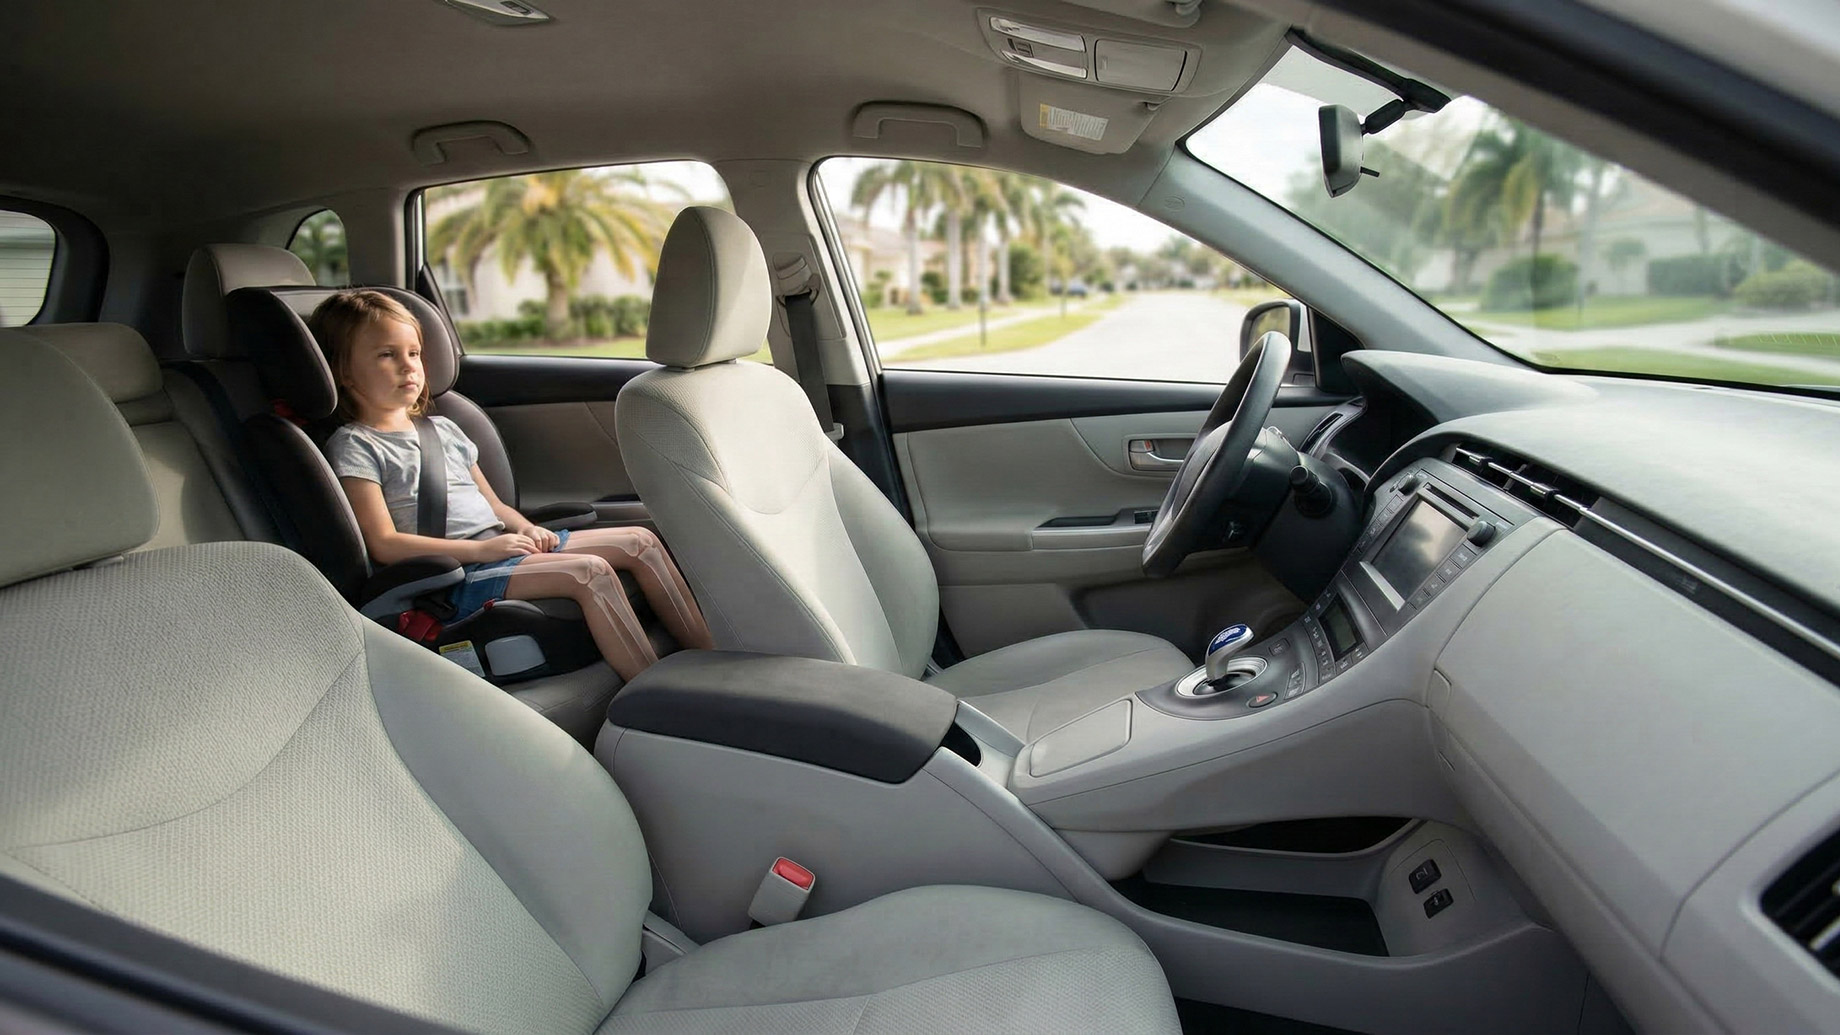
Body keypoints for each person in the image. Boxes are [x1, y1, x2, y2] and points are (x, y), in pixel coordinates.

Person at [313, 289, 712, 680]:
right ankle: (652, 689)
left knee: (639, 541)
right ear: (344, 372)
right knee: (589, 572)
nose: (409, 367)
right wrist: (482, 548)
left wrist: (524, 528)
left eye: (414, 353)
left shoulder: (443, 429)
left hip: (496, 546)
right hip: (451, 575)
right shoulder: (356, 445)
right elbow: (384, 543)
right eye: (387, 355)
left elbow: (494, 506)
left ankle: (710, 656)